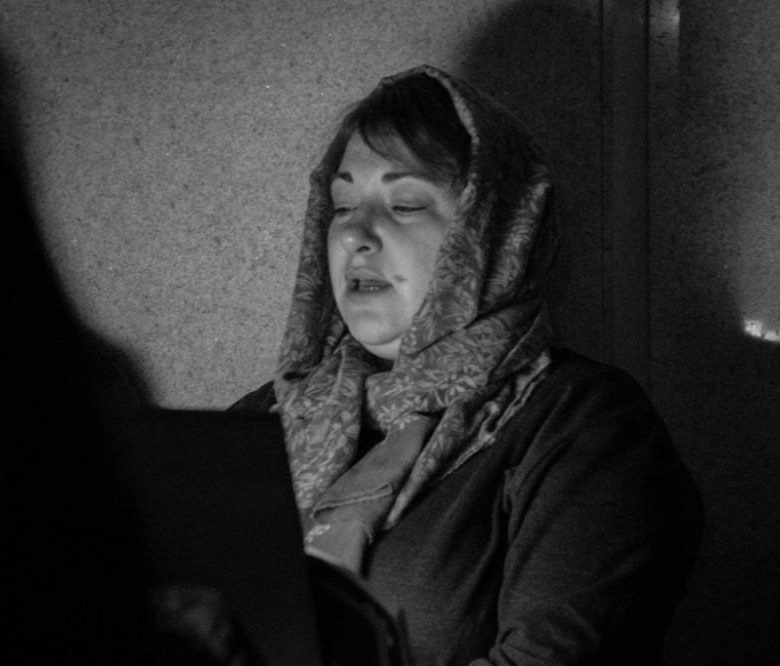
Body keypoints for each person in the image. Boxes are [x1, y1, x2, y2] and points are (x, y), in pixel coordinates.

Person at [231, 65, 702, 665]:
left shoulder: (583, 424)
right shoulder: (268, 415)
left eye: (404, 204)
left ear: (492, 231)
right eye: (342, 205)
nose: (354, 235)